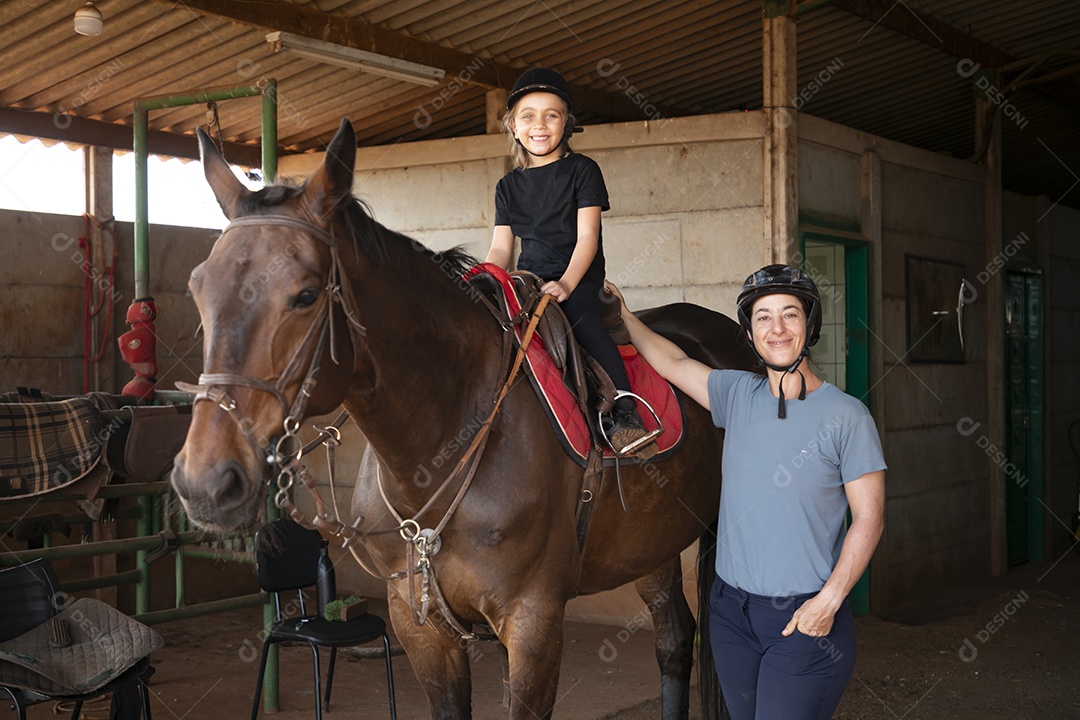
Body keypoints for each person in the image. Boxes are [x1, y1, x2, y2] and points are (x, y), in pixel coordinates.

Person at [605, 265, 886, 719]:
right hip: (731, 613)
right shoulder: (736, 393)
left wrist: (829, 602)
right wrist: (625, 314)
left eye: (789, 315)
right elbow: (674, 363)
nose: (777, 329)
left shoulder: (847, 417)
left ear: (808, 326)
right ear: (751, 334)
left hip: (802, 619)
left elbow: (869, 520)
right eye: (763, 318)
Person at [485, 67, 658, 457]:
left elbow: (587, 238)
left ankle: (624, 412)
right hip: (530, 280)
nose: (539, 125)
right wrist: (487, 277)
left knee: (580, 319)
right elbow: (501, 247)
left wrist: (565, 284)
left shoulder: (583, 171)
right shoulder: (507, 186)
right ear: (513, 126)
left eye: (551, 114)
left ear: (567, 123)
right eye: (528, 116)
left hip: (578, 280)